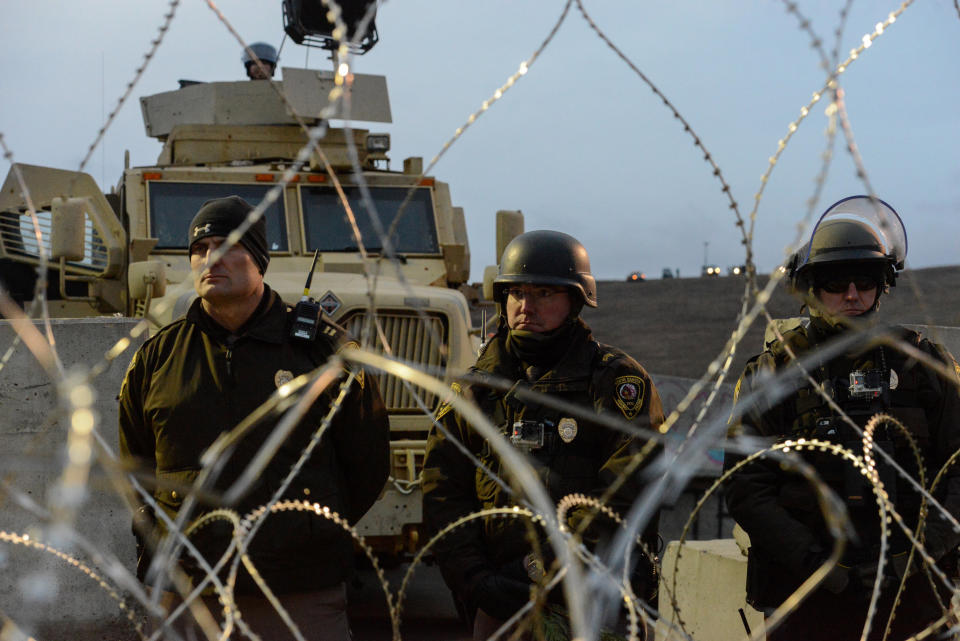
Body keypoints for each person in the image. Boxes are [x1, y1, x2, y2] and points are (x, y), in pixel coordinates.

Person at [118, 196, 389, 640]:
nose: (210, 259)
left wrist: (306, 531)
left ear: (260, 258)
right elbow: (137, 467)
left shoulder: (323, 351)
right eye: (200, 250)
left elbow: (367, 463)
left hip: (298, 594)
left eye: (227, 246)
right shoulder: (158, 358)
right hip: (188, 592)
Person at [725, 196, 960, 640]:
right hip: (807, 591)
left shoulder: (925, 368)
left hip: (908, 590)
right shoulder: (773, 372)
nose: (851, 295)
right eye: (835, 282)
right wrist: (819, 566)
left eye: (865, 280)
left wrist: (916, 556)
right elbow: (744, 485)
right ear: (813, 287)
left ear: (882, 284)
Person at [422, 230, 665, 640]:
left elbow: (628, 491)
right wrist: (477, 581)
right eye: (516, 292)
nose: (526, 306)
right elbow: (443, 491)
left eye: (543, 294)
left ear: (575, 302)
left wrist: (542, 568)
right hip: (500, 602)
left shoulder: (614, 382)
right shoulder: (476, 390)